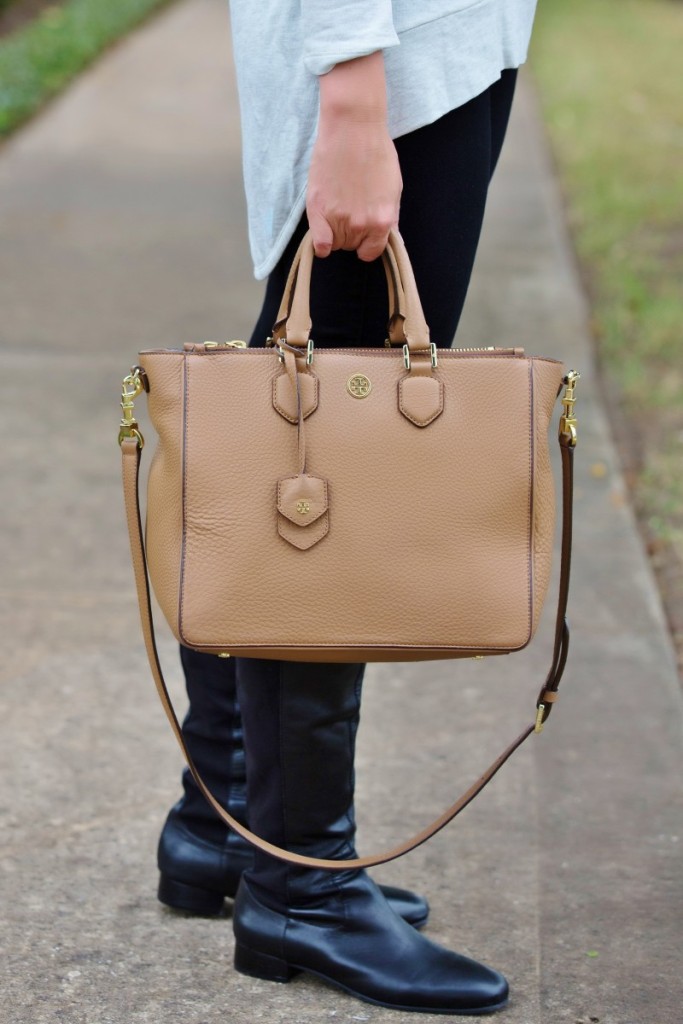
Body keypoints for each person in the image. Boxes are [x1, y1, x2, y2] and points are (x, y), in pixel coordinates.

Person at [157, 1, 537, 1013]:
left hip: (439, 50)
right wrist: (352, 82)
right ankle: (303, 889)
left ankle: (228, 819)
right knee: (329, 479)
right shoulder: (368, 78)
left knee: (291, 434)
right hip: (393, 58)